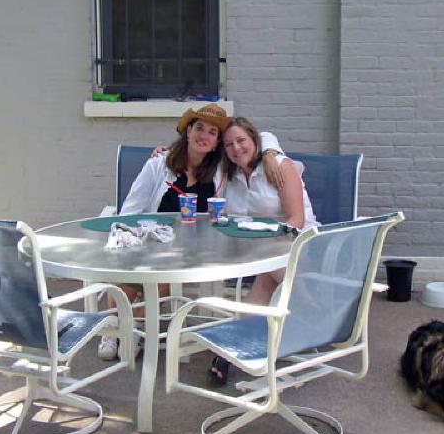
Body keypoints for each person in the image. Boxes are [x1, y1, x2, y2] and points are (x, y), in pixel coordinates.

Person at [97, 104, 284, 360]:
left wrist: (271, 153)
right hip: (151, 239)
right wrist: (130, 241)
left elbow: (258, 138)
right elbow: (130, 209)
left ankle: (135, 329)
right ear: (188, 131)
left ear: (217, 142)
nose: (204, 136)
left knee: (161, 273)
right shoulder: (159, 164)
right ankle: (114, 329)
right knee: (129, 269)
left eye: (212, 132)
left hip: (196, 247)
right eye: (199, 128)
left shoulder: (222, 169)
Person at [208, 116, 318, 384]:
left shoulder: (279, 166)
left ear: (255, 140)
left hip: (300, 243)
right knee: (265, 283)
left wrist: (268, 244)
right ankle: (310, 312)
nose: (236, 149)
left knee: (271, 266)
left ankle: (308, 310)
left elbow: (296, 220)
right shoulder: (229, 176)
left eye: (241, 141)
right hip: (263, 252)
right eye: (229, 145)